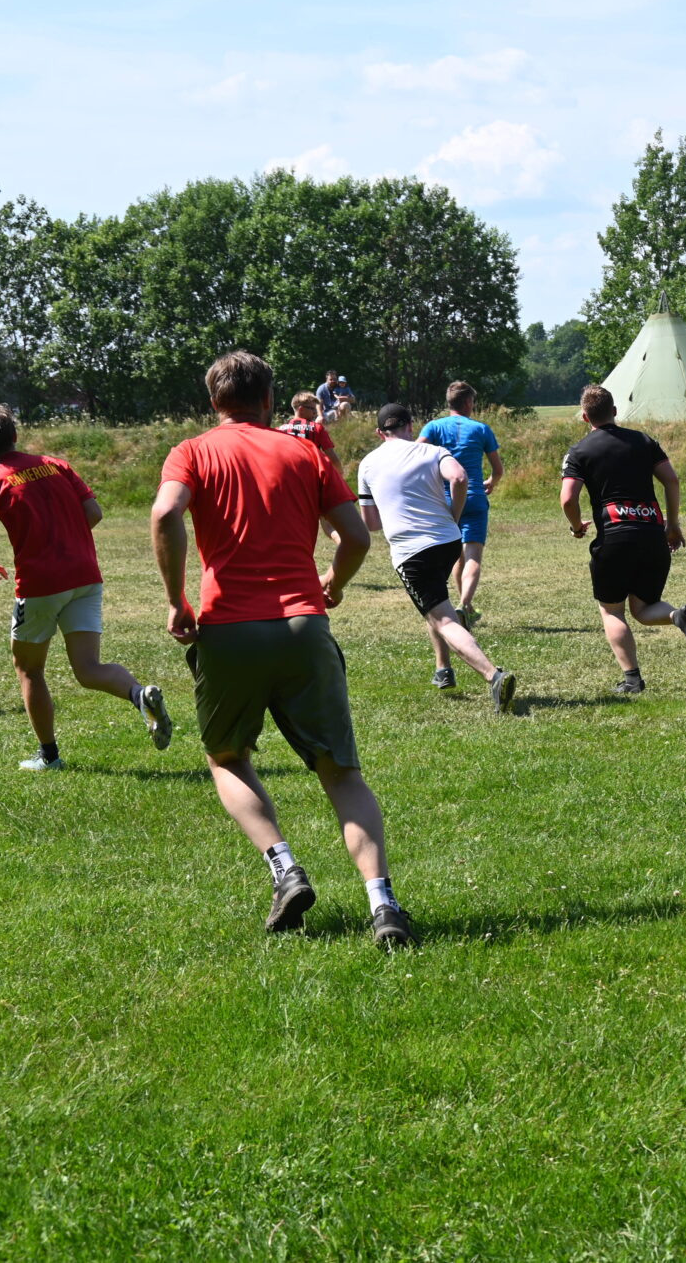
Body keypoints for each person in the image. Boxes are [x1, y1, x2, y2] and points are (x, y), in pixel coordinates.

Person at [152, 350, 416, 948]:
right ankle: (383, 904)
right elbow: (354, 535)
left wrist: (176, 599)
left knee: (227, 757)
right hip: (304, 625)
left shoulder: (191, 452)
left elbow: (167, 511)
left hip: (228, 629)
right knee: (341, 773)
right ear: (271, 400)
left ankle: (285, 868)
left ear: (213, 400)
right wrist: (334, 583)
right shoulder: (307, 452)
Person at [0, 403, 171, 769]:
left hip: (41, 584)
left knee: (29, 669)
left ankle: (49, 756)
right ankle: (139, 694)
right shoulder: (55, 464)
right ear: (15, 433)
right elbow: (95, 513)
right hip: (85, 576)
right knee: (88, 668)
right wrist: (66, 540)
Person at [360, 403, 515, 711]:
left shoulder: (367, 464)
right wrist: (452, 516)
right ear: (410, 426)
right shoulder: (431, 452)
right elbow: (459, 478)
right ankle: (443, 668)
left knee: (442, 617)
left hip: (411, 552)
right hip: (448, 541)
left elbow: (371, 524)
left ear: (380, 432)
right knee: (436, 602)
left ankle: (494, 676)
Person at [560, 384, 686, 694]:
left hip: (614, 539)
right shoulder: (644, 441)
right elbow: (672, 480)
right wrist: (672, 524)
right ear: (614, 411)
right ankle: (678, 616)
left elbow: (568, 499)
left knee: (612, 611)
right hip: (652, 535)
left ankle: (632, 680)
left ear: (585, 417)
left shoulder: (580, 451)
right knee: (642, 608)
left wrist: (576, 526)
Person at [417, 380, 504, 627]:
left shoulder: (433, 427)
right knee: (473, 554)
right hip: (474, 496)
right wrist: (491, 481)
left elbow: (414, 454)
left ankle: (461, 606)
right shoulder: (481, 429)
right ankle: (465, 605)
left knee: (456, 555)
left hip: (443, 498)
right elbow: (498, 469)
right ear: (467, 402)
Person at [280, 391, 342, 474]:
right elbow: (333, 459)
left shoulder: (279, 430)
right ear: (301, 409)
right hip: (310, 477)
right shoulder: (317, 428)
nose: (315, 412)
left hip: (286, 476)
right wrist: (340, 475)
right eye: (312, 409)